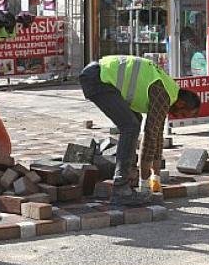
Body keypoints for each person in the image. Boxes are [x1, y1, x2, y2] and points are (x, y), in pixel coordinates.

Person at [79, 55, 201, 205]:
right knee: (130, 126)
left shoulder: (168, 90)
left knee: (135, 121)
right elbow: (150, 135)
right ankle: (121, 188)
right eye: (182, 114)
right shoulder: (165, 94)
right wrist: (145, 183)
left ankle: (127, 178)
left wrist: (155, 175)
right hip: (99, 78)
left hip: (97, 75)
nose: (179, 116)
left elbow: (157, 134)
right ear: (181, 103)